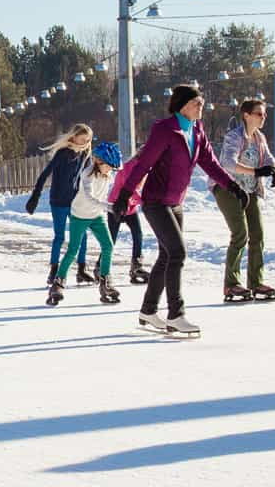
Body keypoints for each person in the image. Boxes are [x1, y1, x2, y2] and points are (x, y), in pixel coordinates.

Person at [111, 85, 247, 338]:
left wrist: (233, 186)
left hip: (176, 202)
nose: (201, 107)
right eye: (197, 103)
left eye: (202, 103)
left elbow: (210, 163)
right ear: (183, 104)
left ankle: (148, 311)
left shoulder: (197, 130)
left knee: (166, 256)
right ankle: (176, 314)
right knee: (177, 253)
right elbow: (143, 164)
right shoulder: (165, 129)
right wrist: (124, 194)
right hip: (156, 201)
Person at [215, 99, 275, 303]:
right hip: (229, 189)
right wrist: (255, 171)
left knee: (258, 234)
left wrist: (274, 172)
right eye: (259, 114)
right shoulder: (234, 136)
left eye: (264, 115)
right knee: (240, 234)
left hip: (250, 190)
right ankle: (232, 284)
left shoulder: (259, 137)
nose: (263, 118)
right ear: (246, 115)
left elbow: (269, 159)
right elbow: (227, 163)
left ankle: (255, 282)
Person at [50, 142, 123, 307]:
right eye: (109, 166)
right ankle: (58, 283)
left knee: (108, 246)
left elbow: (102, 195)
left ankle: (105, 283)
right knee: (73, 250)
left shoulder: (107, 174)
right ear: (98, 162)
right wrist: (110, 207)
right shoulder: (88, 174)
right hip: (80, 215)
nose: (111, 170)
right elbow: (91, 198)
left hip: (96, 216)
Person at [24, 124, 93, 284]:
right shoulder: (63, 154)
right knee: (60, 237)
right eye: (82, 139)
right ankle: (54, 270)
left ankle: (81, 270)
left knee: (82, 235)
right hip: (59, 201)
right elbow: (44, 175)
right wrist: (35, 196)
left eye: (88, 140)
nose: (85, 142)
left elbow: (88, 179)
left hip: (75, 202)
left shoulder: (85, 155)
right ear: (74, 137)